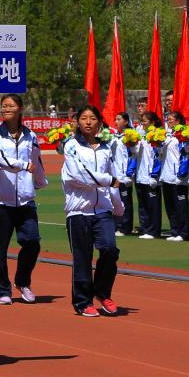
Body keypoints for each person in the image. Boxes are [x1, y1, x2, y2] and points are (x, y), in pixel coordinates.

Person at [0, 94, 46, 305]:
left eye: (10, 106)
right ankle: (2, 289)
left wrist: (39, 182)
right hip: (3, 200)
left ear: (20, 109)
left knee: (32, 242)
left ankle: (22, 281)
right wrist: (22, 165)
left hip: (26, 199)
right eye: (3, 106)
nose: (6, 109)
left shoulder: (31, 136)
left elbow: (36, 159)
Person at [61, 105, 122, 317]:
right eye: (84, 118)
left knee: (110, 249)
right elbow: (79, 175)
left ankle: (102, 292)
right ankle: (82, 301)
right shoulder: (71, 146)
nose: (88, 122)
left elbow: (115, 179)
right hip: (79, 210)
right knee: (82, 257)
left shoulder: (106, 148)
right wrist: (108, 180)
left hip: (103, 209)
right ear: (77, 122)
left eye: (93, 118)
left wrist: (118, 206)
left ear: (100, 123)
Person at [159, 111, 189, 241]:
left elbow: (185, 155)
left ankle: (183, 232)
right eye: (167, 119)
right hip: (166, 174)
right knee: (170, 205)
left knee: (180, 206)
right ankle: (175, 231)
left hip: (178, 176)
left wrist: (182, 174)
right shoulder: (168, 135)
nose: (168, 121)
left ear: (178, 121)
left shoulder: (183, 134)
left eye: (171, 119)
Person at [134, 111, 164, 239]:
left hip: (151, 177)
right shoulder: (142, 137)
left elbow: (158, 157)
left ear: (152, 122)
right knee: (143, 205)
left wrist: (154, 175)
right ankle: (145, 228)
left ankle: (154, 231)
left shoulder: (158, 136)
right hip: (140, 176)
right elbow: (135, 154)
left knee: (153, 206)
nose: (142, 124)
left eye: (145, 121)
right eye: (142, 121)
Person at [111, 112, 136, 235]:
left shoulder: (130, 136)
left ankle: (126, 227)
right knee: (115, 201)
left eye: (119, 119)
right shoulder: (114, 137)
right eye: (115, 119)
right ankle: (117, 225)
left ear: (126, 122)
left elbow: (133, 156)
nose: (116, 121)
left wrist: (129, 174)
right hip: (114, 175)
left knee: (125, 202)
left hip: (124, 175)